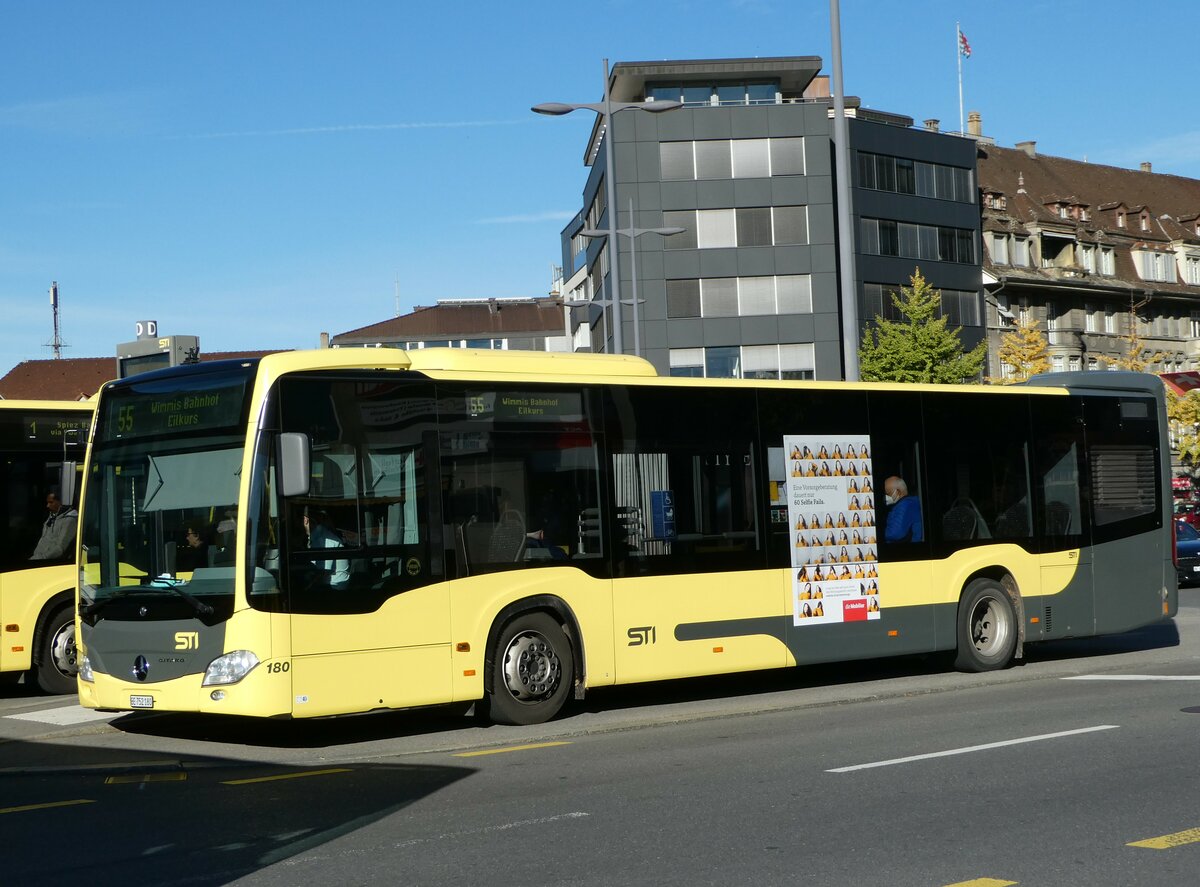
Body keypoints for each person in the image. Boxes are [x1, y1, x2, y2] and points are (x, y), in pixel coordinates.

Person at [304, 506, 350, 587]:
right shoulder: (315, 537)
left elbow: (322, 573)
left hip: (334, 586)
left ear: (306, 521)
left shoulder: (325, 539)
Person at [31, 491, 77, 562]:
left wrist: (40, 558)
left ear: (59, 502)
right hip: (38, 558)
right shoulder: (52, 516)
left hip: (49, 561)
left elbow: (60, 548)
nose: (48, 506)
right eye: (47, 503)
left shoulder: (69, 521)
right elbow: (44, 539)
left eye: (51, 502)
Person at [884, 476, 923, 543]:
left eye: (888, 493)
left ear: (898, 492)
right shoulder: (903, 504)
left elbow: (894, 533)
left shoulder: (906, 505)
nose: (886, 497)